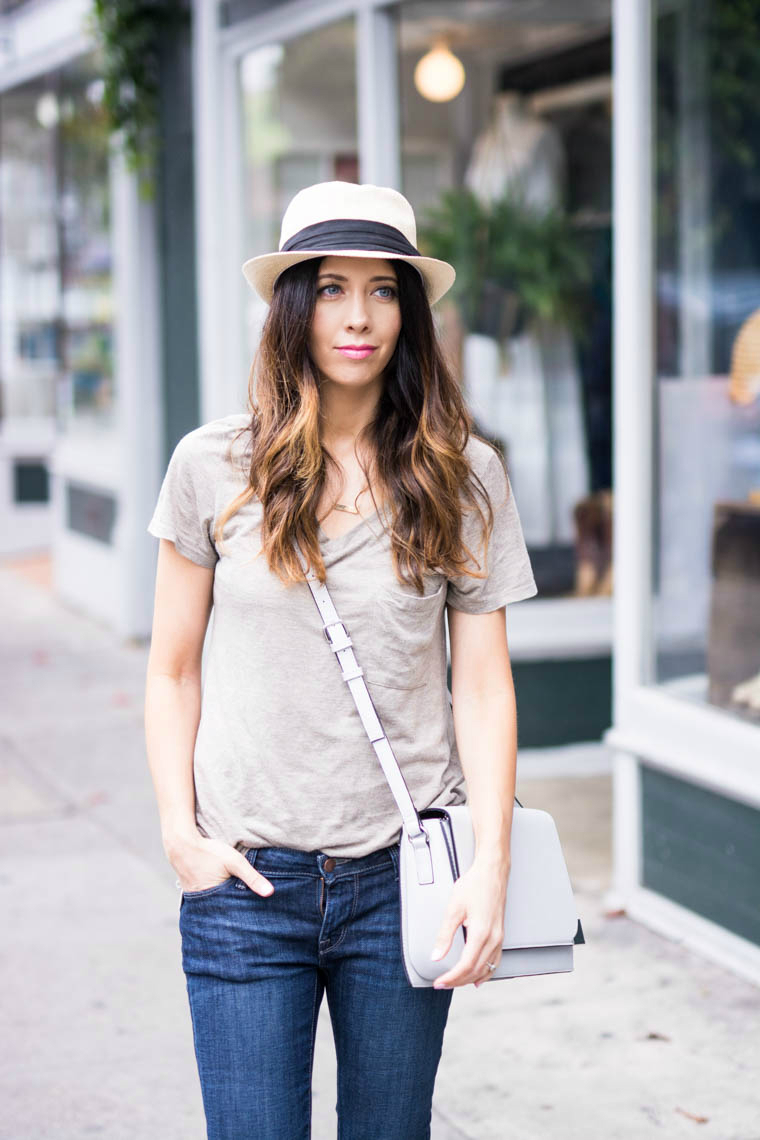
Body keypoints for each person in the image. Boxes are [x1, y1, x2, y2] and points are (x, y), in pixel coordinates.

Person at [144, 180, 538, 1140]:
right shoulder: (211, 465)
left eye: (383, 289)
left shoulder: (463, 473)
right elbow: (171, 668)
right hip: (246, 884)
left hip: (403, 880)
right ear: (292, 308)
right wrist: (180, 836)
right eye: (330, 288)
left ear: (410, 309)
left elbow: (481, 684)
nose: (359, 316)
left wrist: (490, 864)